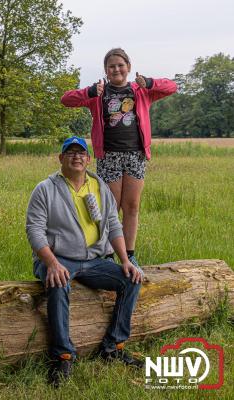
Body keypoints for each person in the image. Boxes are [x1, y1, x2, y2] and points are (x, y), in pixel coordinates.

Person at [26, 136, 144, 388]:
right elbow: (34, 230)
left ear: (88, 159)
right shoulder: (45, 189)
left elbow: (113, 224)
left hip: (92, 260)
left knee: (131, 280)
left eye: (81, 152)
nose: (76, 156)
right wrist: (53, 263)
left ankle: (112, 347)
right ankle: (63, 356)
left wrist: (125, 260)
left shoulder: (99, 186)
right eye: (70, 152)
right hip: (58, 259)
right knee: (58, 282)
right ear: (61, 158)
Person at [61, 48, 177, 266]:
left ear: (128, 68)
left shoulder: (140, 91)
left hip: (135, 155)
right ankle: (107, 254)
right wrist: (89, 91)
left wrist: (149, 82)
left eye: (120, 65)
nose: (116, 69)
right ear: (106, 70)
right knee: (111, 208)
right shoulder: (99, 94)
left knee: (132, 206)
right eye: (112, 66)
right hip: (109, 156)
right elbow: (65, 99)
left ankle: (130, 254)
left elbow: (172, 87)